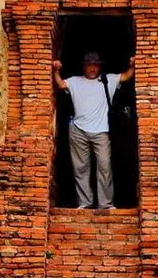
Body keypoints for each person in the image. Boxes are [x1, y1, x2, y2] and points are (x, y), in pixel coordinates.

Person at [52, 52, 135, 209]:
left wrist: (132, 64)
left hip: (101, 131)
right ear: (84, 67)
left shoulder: (107, 80)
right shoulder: (75, 81)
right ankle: (85, 202)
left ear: (99, 67)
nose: (92, 68)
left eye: (95, 65)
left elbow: (126, 76)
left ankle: (105, 203)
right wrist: (56, 70)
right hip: (77, 130)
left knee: (104, 167)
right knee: (81, 168)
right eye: (89, 65)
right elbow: (61, 84)